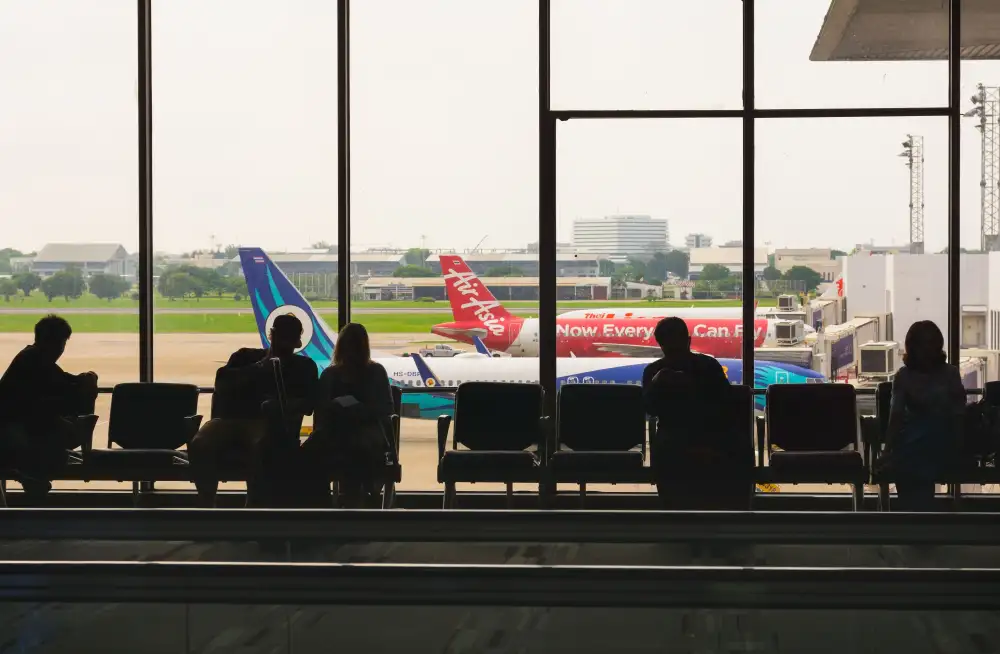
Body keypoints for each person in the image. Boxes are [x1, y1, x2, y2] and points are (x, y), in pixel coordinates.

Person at [188, 314, 318, 507]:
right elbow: (222, 383)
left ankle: (253, 507)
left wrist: (282, 406)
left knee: (261, 445)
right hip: (228, 421)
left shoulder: (303, 367)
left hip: (264, 424)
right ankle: (208, 506)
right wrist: (258, 368)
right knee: (199, 443)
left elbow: (309, 404)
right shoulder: (244, 357)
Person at [642, 317, 745, 509]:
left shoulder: (654, 371)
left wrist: (658, 383)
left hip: (674, 442)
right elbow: (728, 406)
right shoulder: (710, 366)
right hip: (710, 439)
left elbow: (649, 410)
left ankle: (673, 511)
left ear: (660, 344)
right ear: (689, 340)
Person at [0, 315, 98, 496]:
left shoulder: (31, 357)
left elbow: (63, 382)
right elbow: (67, 388)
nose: (61, 350)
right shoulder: (37, 361)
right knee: (63, 440)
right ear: (52, 343)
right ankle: (29, 473)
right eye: (61, 343)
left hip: (14, 428)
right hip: (14, 431)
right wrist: (88, 384)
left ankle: (29, 474)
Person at [301, 323, 394, 508]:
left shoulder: (330, 375)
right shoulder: (375, 372)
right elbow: (386, 408)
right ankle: (354, 503)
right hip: (358, 436)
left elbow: (320, 413)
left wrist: (351, 411)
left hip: (348, 436)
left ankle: (324, 507)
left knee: (326, 454)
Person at [882, 320, 966, 512]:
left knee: (912, 455)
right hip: (923, 440)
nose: (927, 350)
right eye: (923, 344)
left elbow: (958, 415)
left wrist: (959, 446)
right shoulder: (907, 376)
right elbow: (896, 417)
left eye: (931, 343)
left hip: (934, 439)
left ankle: (915, 514)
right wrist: (888, 449)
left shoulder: (947, 374)